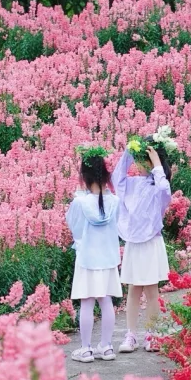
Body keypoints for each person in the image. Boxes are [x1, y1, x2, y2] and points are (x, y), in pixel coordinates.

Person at [112, 138, 171, 353]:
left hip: (151, 242)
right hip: (134, 243)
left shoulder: (158, 187)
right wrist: (129, 152)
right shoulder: (134, 184)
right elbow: (117, 178)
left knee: (152, 290)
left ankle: (153, 334)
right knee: (134, 290)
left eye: (141, 160)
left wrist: (156, 162)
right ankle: (131, 335)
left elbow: (165, 188)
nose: (138, 164)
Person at [65, 149, 121, 362]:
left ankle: (86, 348)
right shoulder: (114, 201)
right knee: (106, 301)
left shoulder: (80, 202)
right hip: (108, 259)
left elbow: (75, 228)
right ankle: (106, 347)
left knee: (87, 303)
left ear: (85, 177)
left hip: (88, 259)